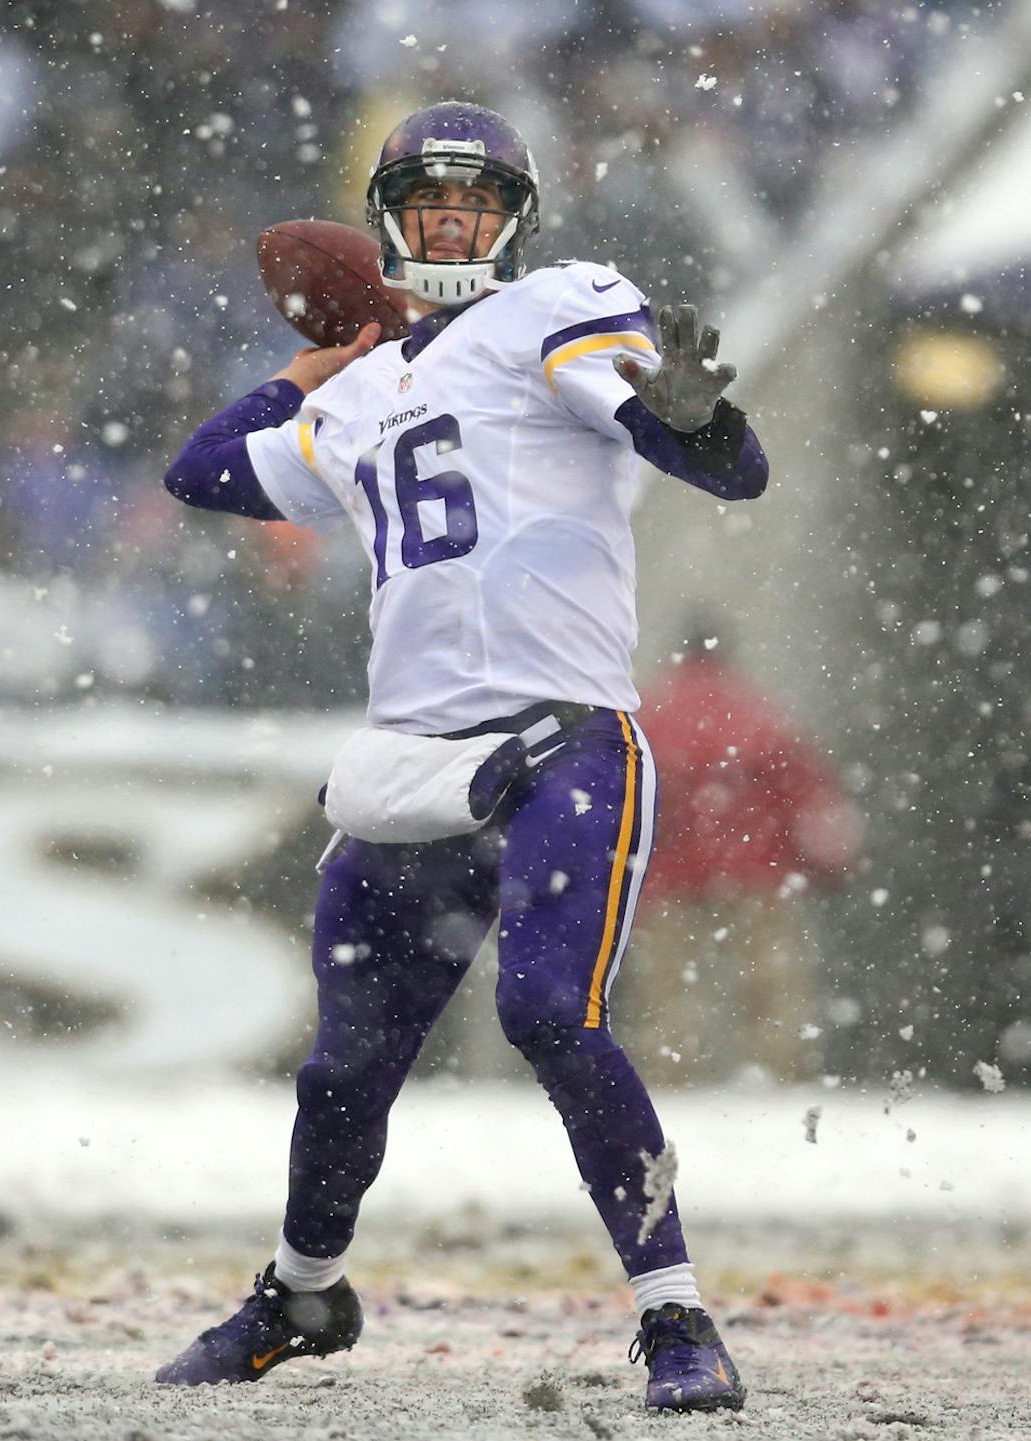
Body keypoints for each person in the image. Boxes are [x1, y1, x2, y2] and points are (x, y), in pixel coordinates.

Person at [153, 101, 768, 1412]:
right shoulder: (366, 391)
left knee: (551, 1011)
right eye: (426, 202)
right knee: (344, 1067)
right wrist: (326, 362)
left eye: (472, 201)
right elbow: (198, 473)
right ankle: (301, 1293)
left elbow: (730, 466)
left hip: (563, 742)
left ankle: (675, 1316)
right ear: (387, 221)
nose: (448, 221)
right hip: (416, 758)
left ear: (515, 220)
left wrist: (698, 422)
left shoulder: (558, 308)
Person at [620, 623, 860, 1086]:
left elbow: (622, 795)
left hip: (667, 877)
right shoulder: (759, 710)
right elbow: (806, 794)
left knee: (666, 994)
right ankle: (779, 1076)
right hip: (758, 872)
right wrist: (831, 862)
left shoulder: (650, 710)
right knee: (772, 989)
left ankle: (669, 1078)